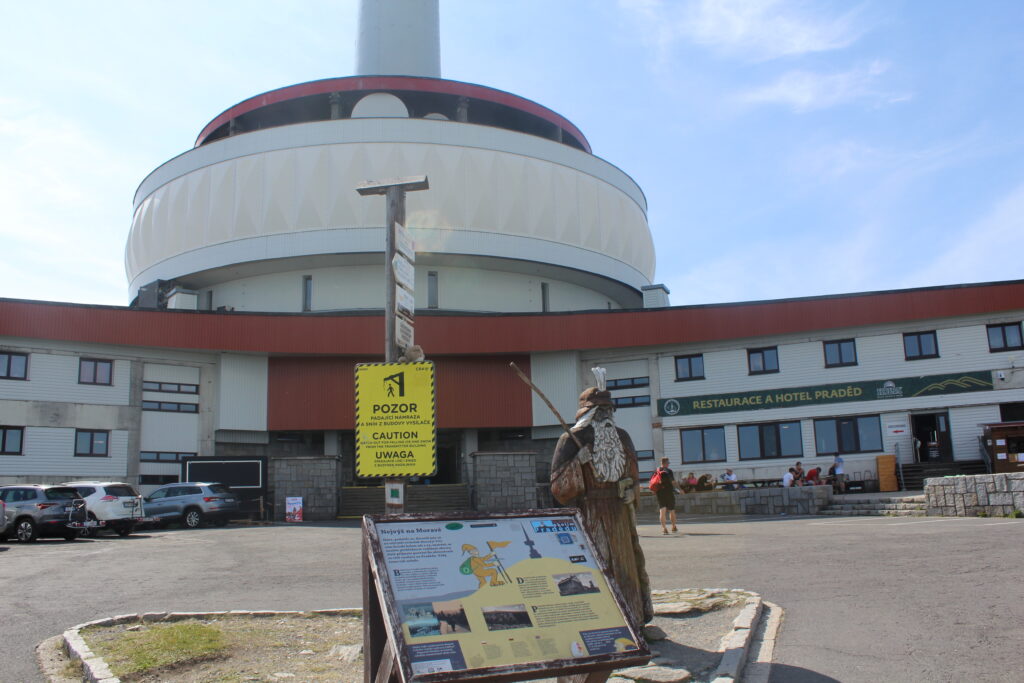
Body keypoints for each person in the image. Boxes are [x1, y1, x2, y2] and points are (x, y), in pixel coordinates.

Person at [550, 370, 653, 632]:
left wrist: (631, 491)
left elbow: (632, 472)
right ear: (588, 413)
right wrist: (577, 463)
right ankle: (602, 621)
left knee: (625, 565)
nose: (605, 415)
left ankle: (634, 619)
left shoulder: (623, 437)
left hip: (619, 512)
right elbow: (558, 487)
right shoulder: (570, 440)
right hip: (590, 513)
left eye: (608, 410)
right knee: (599, 566)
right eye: (600, 410)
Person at [653, 457, 680, 534]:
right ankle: (673, 527)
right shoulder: (668, 471)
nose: (668, 464)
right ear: (665, 463)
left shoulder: (656, 470)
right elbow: (673, 482)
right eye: (668, 463)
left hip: (659, 492)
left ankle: (664, 528)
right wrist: (680, 489)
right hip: (669, 492)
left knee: (662, 510)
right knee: (671, 510)